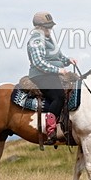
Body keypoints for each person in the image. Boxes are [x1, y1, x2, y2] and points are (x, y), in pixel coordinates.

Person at [27, 11, 77, 140]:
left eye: (51, 26)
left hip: (51, 73)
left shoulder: (48, 39)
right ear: (39, 27)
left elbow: (58, 57)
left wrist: (68, 60)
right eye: (48, 26)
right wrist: (58, 70)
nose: (50, 28)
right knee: (58, 96)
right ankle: (50, 128)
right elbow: (39, 62)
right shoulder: (36, 40)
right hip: (40, 75)